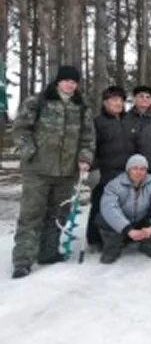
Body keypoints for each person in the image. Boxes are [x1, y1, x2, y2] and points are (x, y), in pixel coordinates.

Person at [11, 65, 95, 278]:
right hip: (38, 170)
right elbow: (21, 129)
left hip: (66, 172)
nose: (70, 84)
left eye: (74, 82)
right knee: (32, 215)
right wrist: (29, 152)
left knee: (58, 214)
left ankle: (48, 252)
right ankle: (23, 259)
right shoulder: (37, 102)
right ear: (58, 81)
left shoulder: (82, 107)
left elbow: (88, 138)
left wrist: (85, 158)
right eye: (66, 80)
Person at [97, 154, 151, 264]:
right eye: (135, 168)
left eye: (142, 169)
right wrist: (128, 229)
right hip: (123, 222)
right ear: (128, 170)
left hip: (141, 220)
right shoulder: (114, 185)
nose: (139, 172)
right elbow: (109, 208)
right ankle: (113, 248)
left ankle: (147, 243)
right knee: (104, 218)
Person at [87, 85, 135, 249]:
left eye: (121, 100)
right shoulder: (97, 122)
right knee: (100, 205)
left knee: (121, 206)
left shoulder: (127, 121)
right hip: (105, 172)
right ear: (105, 102)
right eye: (114, 100)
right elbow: (90, 147)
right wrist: (94, 170)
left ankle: (120, 236)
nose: (118, 103)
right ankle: (95, 238)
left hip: (125, 172)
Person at [124, 85, 151, 182]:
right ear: (135, 98)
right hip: (130, 168)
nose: (144, 99)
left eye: (148, 97)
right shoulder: (125, 118)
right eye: (141, 96)